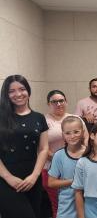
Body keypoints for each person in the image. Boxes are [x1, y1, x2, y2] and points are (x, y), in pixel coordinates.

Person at [0, 75, 49, 218]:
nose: (18, 94)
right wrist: (9, 178)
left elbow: (43, 149)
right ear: (6, 95)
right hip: (6, 179)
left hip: (32, 178)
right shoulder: (1, 117)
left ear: (28, 91)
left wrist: (34, 176)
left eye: (22, 89)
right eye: (12, 91)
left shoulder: (39, 117)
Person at [44, 90, 89, 218]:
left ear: (66, 101)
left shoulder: (76, 119)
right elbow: (42, 147)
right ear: (49, 104)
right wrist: (64, 158)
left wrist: (80, 155)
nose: (58, 104)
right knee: (58, 205)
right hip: (53, 167)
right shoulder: (44, 121)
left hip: (78, 161)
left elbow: (86, 138)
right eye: (54, 101)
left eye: (61, 100)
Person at [48, 116, 86, 218]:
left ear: (82, 132)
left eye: (76, 132)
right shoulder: (59, 156)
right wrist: (73, 181)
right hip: (66, 208)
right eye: (68, 133)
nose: (72, 136)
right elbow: (51, 183)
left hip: (89, 207)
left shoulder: (90, 153)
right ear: (63, 135)